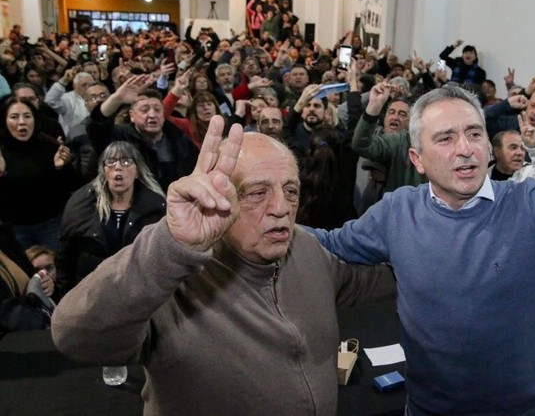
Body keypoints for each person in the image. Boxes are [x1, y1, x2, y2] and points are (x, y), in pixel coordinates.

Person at [304, 35, 535, 415]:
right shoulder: (396, 211)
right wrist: (257, 221)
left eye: (474, 133)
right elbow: (329, 244)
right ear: (417, 158)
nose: (465, 148)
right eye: (446, 138)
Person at [51, 119, 395, 415]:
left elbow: (365, 281)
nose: (281, 208)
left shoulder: (305, 247)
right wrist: (169, 247)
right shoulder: (172, 279)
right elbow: (77, 336)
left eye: (290, 190)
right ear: (219, 198)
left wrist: (434, 245)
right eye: (257, 192)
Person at [57, 142, 166, 292]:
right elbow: (66, 255)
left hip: (139, 292)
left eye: (126, 161)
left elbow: (162, 258)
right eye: (111, 162)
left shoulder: (155, 207)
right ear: (103, 171)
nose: (118, 167)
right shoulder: (81, 205)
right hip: (91, 292)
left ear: (137, 171)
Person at [0, 96, 76, 251]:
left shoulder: (49, 144)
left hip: (51, 224)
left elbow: (71, 185)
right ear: (4, 121)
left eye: (27, 116)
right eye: (14, 117)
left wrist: (61, 168)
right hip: (14, 228)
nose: (22, 122)